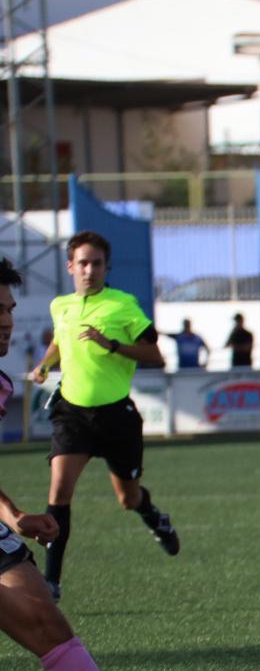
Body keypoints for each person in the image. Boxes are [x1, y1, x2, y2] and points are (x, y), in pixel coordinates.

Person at [0, 258, 173, 671]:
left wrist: (13, 518)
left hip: (113, 416)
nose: (7, 320)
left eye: (8, 309)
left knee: (53, 630)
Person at [28, 232, 180, 600]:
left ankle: (153, 516)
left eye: (96, 263)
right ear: (70, 266)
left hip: (116, 418)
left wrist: (110, 344)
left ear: (106, 267)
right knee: (60, 490)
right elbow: (60, 342)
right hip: (72, 414)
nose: (89, 269)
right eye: (82, 262)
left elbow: (155, 357)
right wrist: (46, 364)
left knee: (127, 499)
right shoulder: (60, 305)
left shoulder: (122, 305)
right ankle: (52, 582)